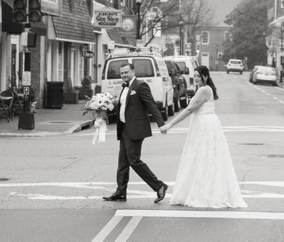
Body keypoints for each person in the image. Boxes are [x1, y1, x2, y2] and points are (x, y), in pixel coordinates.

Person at [159, 65, 247, 209]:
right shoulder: (205, 89)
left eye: (199, 76)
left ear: (205, 76)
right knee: (204, 158)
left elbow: (189, 109)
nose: (196, 78)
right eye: (195, 75)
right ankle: (202, 190)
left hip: (205, 125)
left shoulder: (204, 90)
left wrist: (169, 125)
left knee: (202, 157)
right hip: (205, 124)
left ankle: (204, 193)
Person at [102, 62, 168, 203]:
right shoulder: (124, 87)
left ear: (133, 72)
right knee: (123, 163)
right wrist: (103, 113)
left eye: (126, 72)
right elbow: (123, 108)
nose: (124, 75)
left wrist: (161, 124)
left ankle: (159, 186)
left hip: (136, 129)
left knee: (134, 161)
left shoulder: (140, 86)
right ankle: (120, 192)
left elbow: (151, 105)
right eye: (122, 73)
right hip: (124, 129)